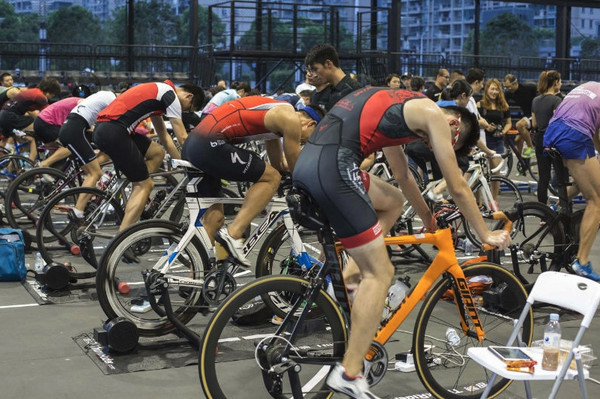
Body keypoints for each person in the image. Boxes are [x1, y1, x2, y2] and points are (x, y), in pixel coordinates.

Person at [292, 87, 511, 398]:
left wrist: (427, 218)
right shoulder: (434, 115)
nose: (431, 146)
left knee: (392, 200)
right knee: (381, 273)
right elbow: (458, 185)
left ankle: (353, 275)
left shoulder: (401, 106)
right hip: (335, 169)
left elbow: (402, 176)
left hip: (310, 163)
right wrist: (485, 234)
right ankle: (350, 372)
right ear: (455, 126)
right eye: (449, 145)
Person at [181, 96, 323, 267]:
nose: (305, 142)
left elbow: (279, 164)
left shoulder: (276, 116)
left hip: (194, 145)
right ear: (311, 124)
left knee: (215, 219)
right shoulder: (290, 118)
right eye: (311, 138)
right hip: (210, 143)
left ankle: (196, 277)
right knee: (271, 178)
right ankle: (233, 234)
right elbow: (296, 167)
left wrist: (288, 172)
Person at [93, 80, 204, 232]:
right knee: (145, 185)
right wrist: (197, 162)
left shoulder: (160, 94)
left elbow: (164, 137)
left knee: (157, 152)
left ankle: (137, 194)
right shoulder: (170, 96)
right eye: (189, 110)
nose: (185, 113)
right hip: (114, 131)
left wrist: (182, 161)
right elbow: (183, 138)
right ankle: (123, 240)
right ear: (189, 97)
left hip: (106, 129)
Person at [543, 81, 600, 281]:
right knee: (596, 200)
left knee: (582, 182)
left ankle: (557, 210)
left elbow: (593, 134)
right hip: (573, 135)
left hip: (553, 133)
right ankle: (582, 262)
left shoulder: (590, 86)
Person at [58, 90, 117, 219]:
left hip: (71, 127)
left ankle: (87, 195)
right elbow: (114, 125)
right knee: (95, 173)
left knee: (92, 167)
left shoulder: (100, 95)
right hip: (75, 131)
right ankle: (78, 211)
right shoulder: (112, 99)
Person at [0, 77, 61, 159]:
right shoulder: (40, 96)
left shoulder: (33, 91)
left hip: (4, 115)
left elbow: (33, 113)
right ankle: (32, 168)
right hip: (10, 117)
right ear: (49, 92)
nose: (51, 97)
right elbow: (49, 114)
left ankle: (11, 168)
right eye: (53, 95)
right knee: (35, 137)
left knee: (26, 141)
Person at [531, 70, 562, 204]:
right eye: (560, 81)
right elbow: (558, 122)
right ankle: (564, 208)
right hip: (554, 140)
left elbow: (534, 123)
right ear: (555, 83)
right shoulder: (557, 100)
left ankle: (542, 211)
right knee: (561, 176)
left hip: (540, 139)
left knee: (543, 177)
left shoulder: (535, 100)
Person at [478, 78, 511, 201]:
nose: (494, 92)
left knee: (495, 173)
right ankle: (479, 201)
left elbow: (508, 123)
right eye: (492, 89)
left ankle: (494, 200)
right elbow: (476, 122)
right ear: (487, 90)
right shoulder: (480, 105)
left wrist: (503, 131)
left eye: (497, 89)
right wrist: (486, 127)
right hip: (483, 141)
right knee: (479, 172)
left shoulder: (503, 105)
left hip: (497, 141)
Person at [304, 43, 362, 112]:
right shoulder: (326, 92)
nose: (313, 74)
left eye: (315, 69)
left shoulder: (353, 91)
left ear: (328, 64)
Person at [32, 96, 82, 165]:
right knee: (72, 147)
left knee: (55, 151)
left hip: (41, 120)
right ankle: (45, 164)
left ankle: (51, 172)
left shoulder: (78, 100)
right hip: (47, 122)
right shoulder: (83, 104)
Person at [503, 74, 538, 158]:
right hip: (527, 115)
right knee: (517, 140)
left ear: (515, 83)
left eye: (509, 87)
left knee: (519, 125)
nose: (507, 89)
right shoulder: (508, 93)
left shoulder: (529, 87)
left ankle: (531, 148)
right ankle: (522, 162)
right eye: (506, 87)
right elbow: (503, 105)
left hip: (535, 114)